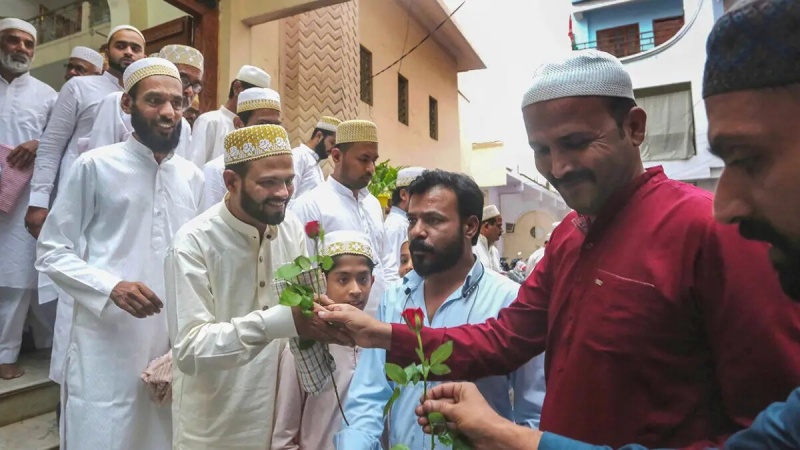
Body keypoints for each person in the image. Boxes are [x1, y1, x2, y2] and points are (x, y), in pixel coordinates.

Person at [320, 49, 800, 449]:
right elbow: (504, 339)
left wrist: (513, 438)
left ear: (633, 127)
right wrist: (380, 334)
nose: (559, 166)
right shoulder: (571, 235)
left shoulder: (710, 229)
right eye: (542, 149)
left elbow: (763, 426)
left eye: (575, 143)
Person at [35, 57, 204, 449]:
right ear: (126, 105)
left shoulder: (191, 178)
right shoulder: (94, 166)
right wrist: (111, 287)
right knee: (103, 429)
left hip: (167, 338)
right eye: (155, 101)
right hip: (105, 339)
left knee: (163, 433)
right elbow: (51, 250)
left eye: (177, 103)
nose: (168, 113)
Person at [165, 124, 350, 449]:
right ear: (231, 182)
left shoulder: (290, 228)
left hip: (280, 420)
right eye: (268, 182)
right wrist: (281, 320)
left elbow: (300, 311)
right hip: (213, 425)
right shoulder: (193, 243)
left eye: (289, 180)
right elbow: (190, 350)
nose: (283, 192)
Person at [334, 170, 546, 450]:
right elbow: (368, 397)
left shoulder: (510, 302)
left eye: (433, 220)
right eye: (412, 219)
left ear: (470, 227)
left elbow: (533, 413)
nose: (417, 231)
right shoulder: (396, 299)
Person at [25, 24, 145, 237]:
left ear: (143, 55)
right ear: (107, 52)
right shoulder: (79, 87)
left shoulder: (146, 98)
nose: (128, 52)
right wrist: (38, 201)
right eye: (121, 45)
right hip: (77, 191)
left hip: (126, 198)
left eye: (135, 48)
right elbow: (52, 145)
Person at [272, 230, 376, 450]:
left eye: (363, 278)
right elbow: (284, 439)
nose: (356, 290)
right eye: (343, 279)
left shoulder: (378, 344)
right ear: (322, 281)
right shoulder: (302, 348)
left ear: (373, 281)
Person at [290, 120, 399, 317]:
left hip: (379, 320)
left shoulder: (373, 204)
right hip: (334, 324)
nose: (371, 169)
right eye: (364, 159)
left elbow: (384, 262)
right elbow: (305, 273)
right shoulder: (311, 204)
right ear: (337, 156)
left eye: (373, 160)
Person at [0, 18, 58, 380]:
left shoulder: (47, 94)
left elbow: (60, 139)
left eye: (28, 43)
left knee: (17, 276)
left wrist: (39, 143)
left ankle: (5, 354)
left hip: (23, 197)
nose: (21, 48)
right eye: (12, 40)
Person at [86, 44, 200, 158]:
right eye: (183, 79)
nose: (190, 91)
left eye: (196, 85)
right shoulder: (115, 102)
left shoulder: (183, 126)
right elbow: (99, 159)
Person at [202, 86, 283, 210]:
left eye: (276, 126)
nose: (270, 134)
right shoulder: (217, 169)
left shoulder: (282, 170)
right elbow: (209, 220)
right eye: (263, 125)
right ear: (239, 124)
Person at [188, 64, 271, 168]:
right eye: (254, 96)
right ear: (237, 88)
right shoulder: (210, 121)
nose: (257, 103)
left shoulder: (254, 128)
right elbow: (195, 166)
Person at [290, 116, 341, 204]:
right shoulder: (299, 156)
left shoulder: (317, 166)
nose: (333, 149)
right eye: (332, 143)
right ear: (319, 136)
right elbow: (289, 197)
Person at [384, 166, 425, 277]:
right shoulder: (397, 225)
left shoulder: (406, 222)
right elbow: (390, 271)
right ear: (403, 194)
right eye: (421, 194)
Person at [475, 204, 504, 273]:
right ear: (486, 226)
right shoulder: (473, 249)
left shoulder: (494, 251)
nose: (502, 230)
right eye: (498, 226)